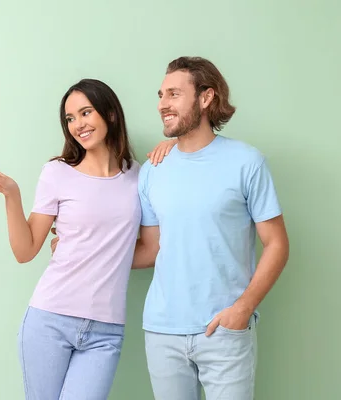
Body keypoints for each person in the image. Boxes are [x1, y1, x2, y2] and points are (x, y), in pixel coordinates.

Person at [0, 78, 175, 399]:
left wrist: (173, 146)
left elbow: (150, 250)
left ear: (111, 115)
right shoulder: (57, 172)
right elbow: (25, 251)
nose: (78, 124)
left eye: (86, 113)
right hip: (49, 321)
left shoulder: (139, 175)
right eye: (70, 118)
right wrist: (12, 194)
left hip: (107, 330)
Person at [135, 56, 290, 400]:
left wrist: (243, 308)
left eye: (174, 94)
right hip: (163, 332)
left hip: (224, 330)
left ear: (206, 98)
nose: (163, 104)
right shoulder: (153, 170)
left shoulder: (247, 162)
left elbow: (277, 243)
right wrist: (84, 249)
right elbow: (150, 248)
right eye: (160, 95)